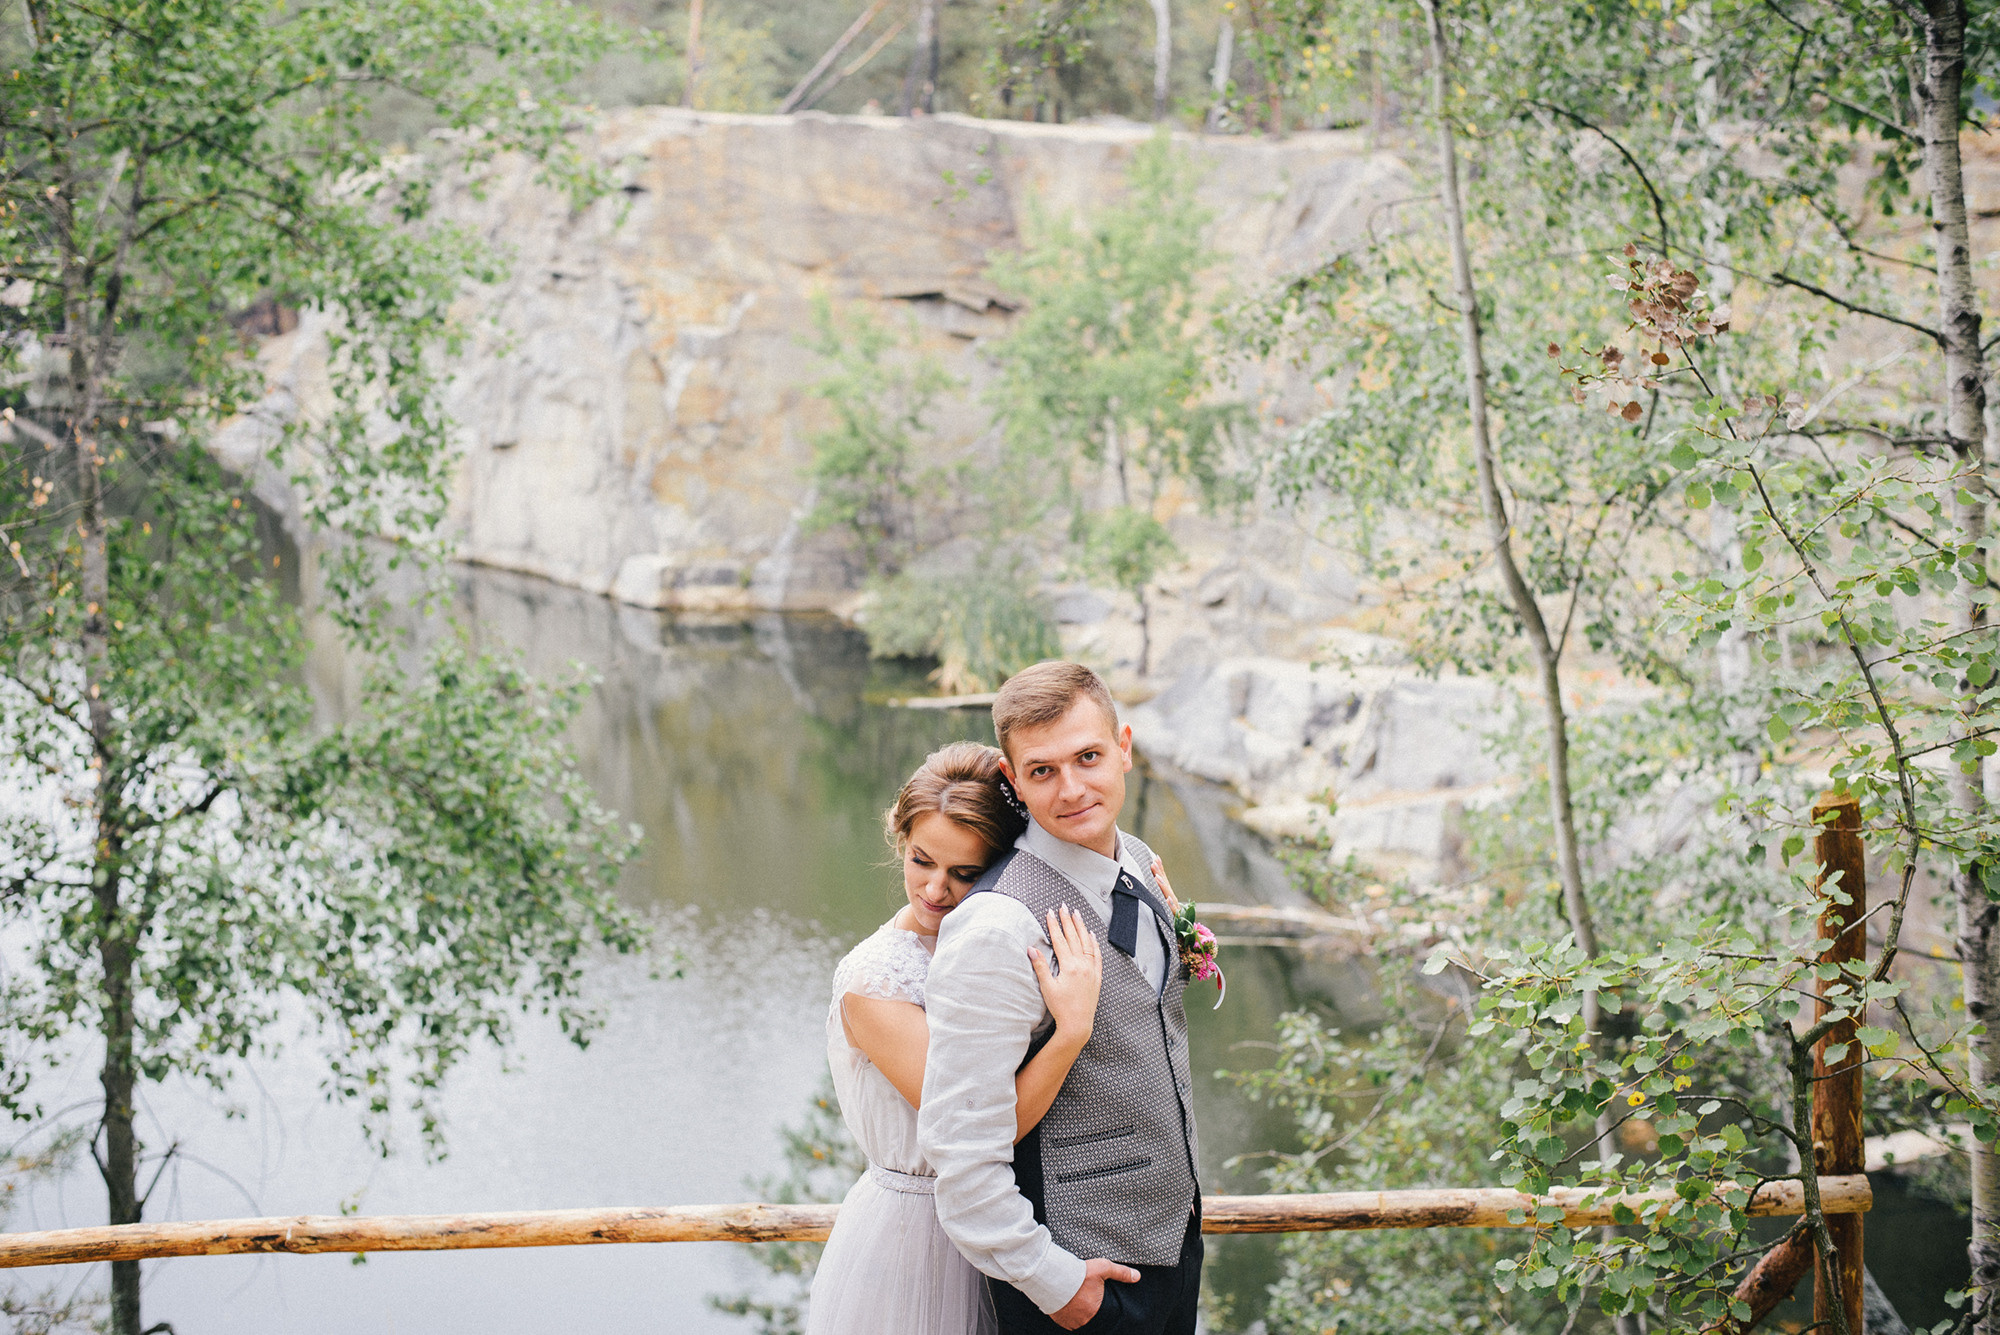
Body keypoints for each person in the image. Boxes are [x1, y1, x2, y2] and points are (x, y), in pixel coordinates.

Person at [920, 662, 1203, 1335]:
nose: (1072, 789)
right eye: (1043, 770)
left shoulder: (1136, 859)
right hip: (1080, 1278)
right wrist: (1055, 1284)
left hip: (1174, 1246)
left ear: (1124, 747)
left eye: (1088, 757)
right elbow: (960, 1150)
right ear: (1013, 780)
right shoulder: (997, 928)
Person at [806, 741, 1107, 1335]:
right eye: (921, 861)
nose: (935, 890)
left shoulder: (1007, 941)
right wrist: (1071, 1032)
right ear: (899, 839)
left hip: (1013, 1216)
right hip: (919, 1239)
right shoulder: (876, 984)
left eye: (965, 874)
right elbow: (985, 1126)